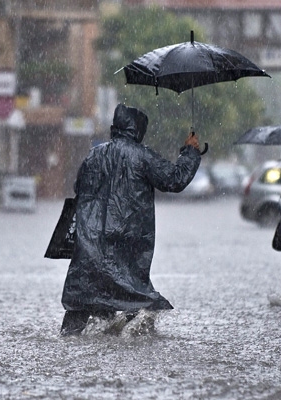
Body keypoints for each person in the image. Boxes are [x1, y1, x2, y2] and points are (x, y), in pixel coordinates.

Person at [59, 103, 202, 336]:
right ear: (138, 130)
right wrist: (190, 152)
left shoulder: (94, 155)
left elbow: (79, 188)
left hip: (91, 246)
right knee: (136, 303)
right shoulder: (142, 157)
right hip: (127, 246)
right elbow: (175, 180)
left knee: (80, 309)